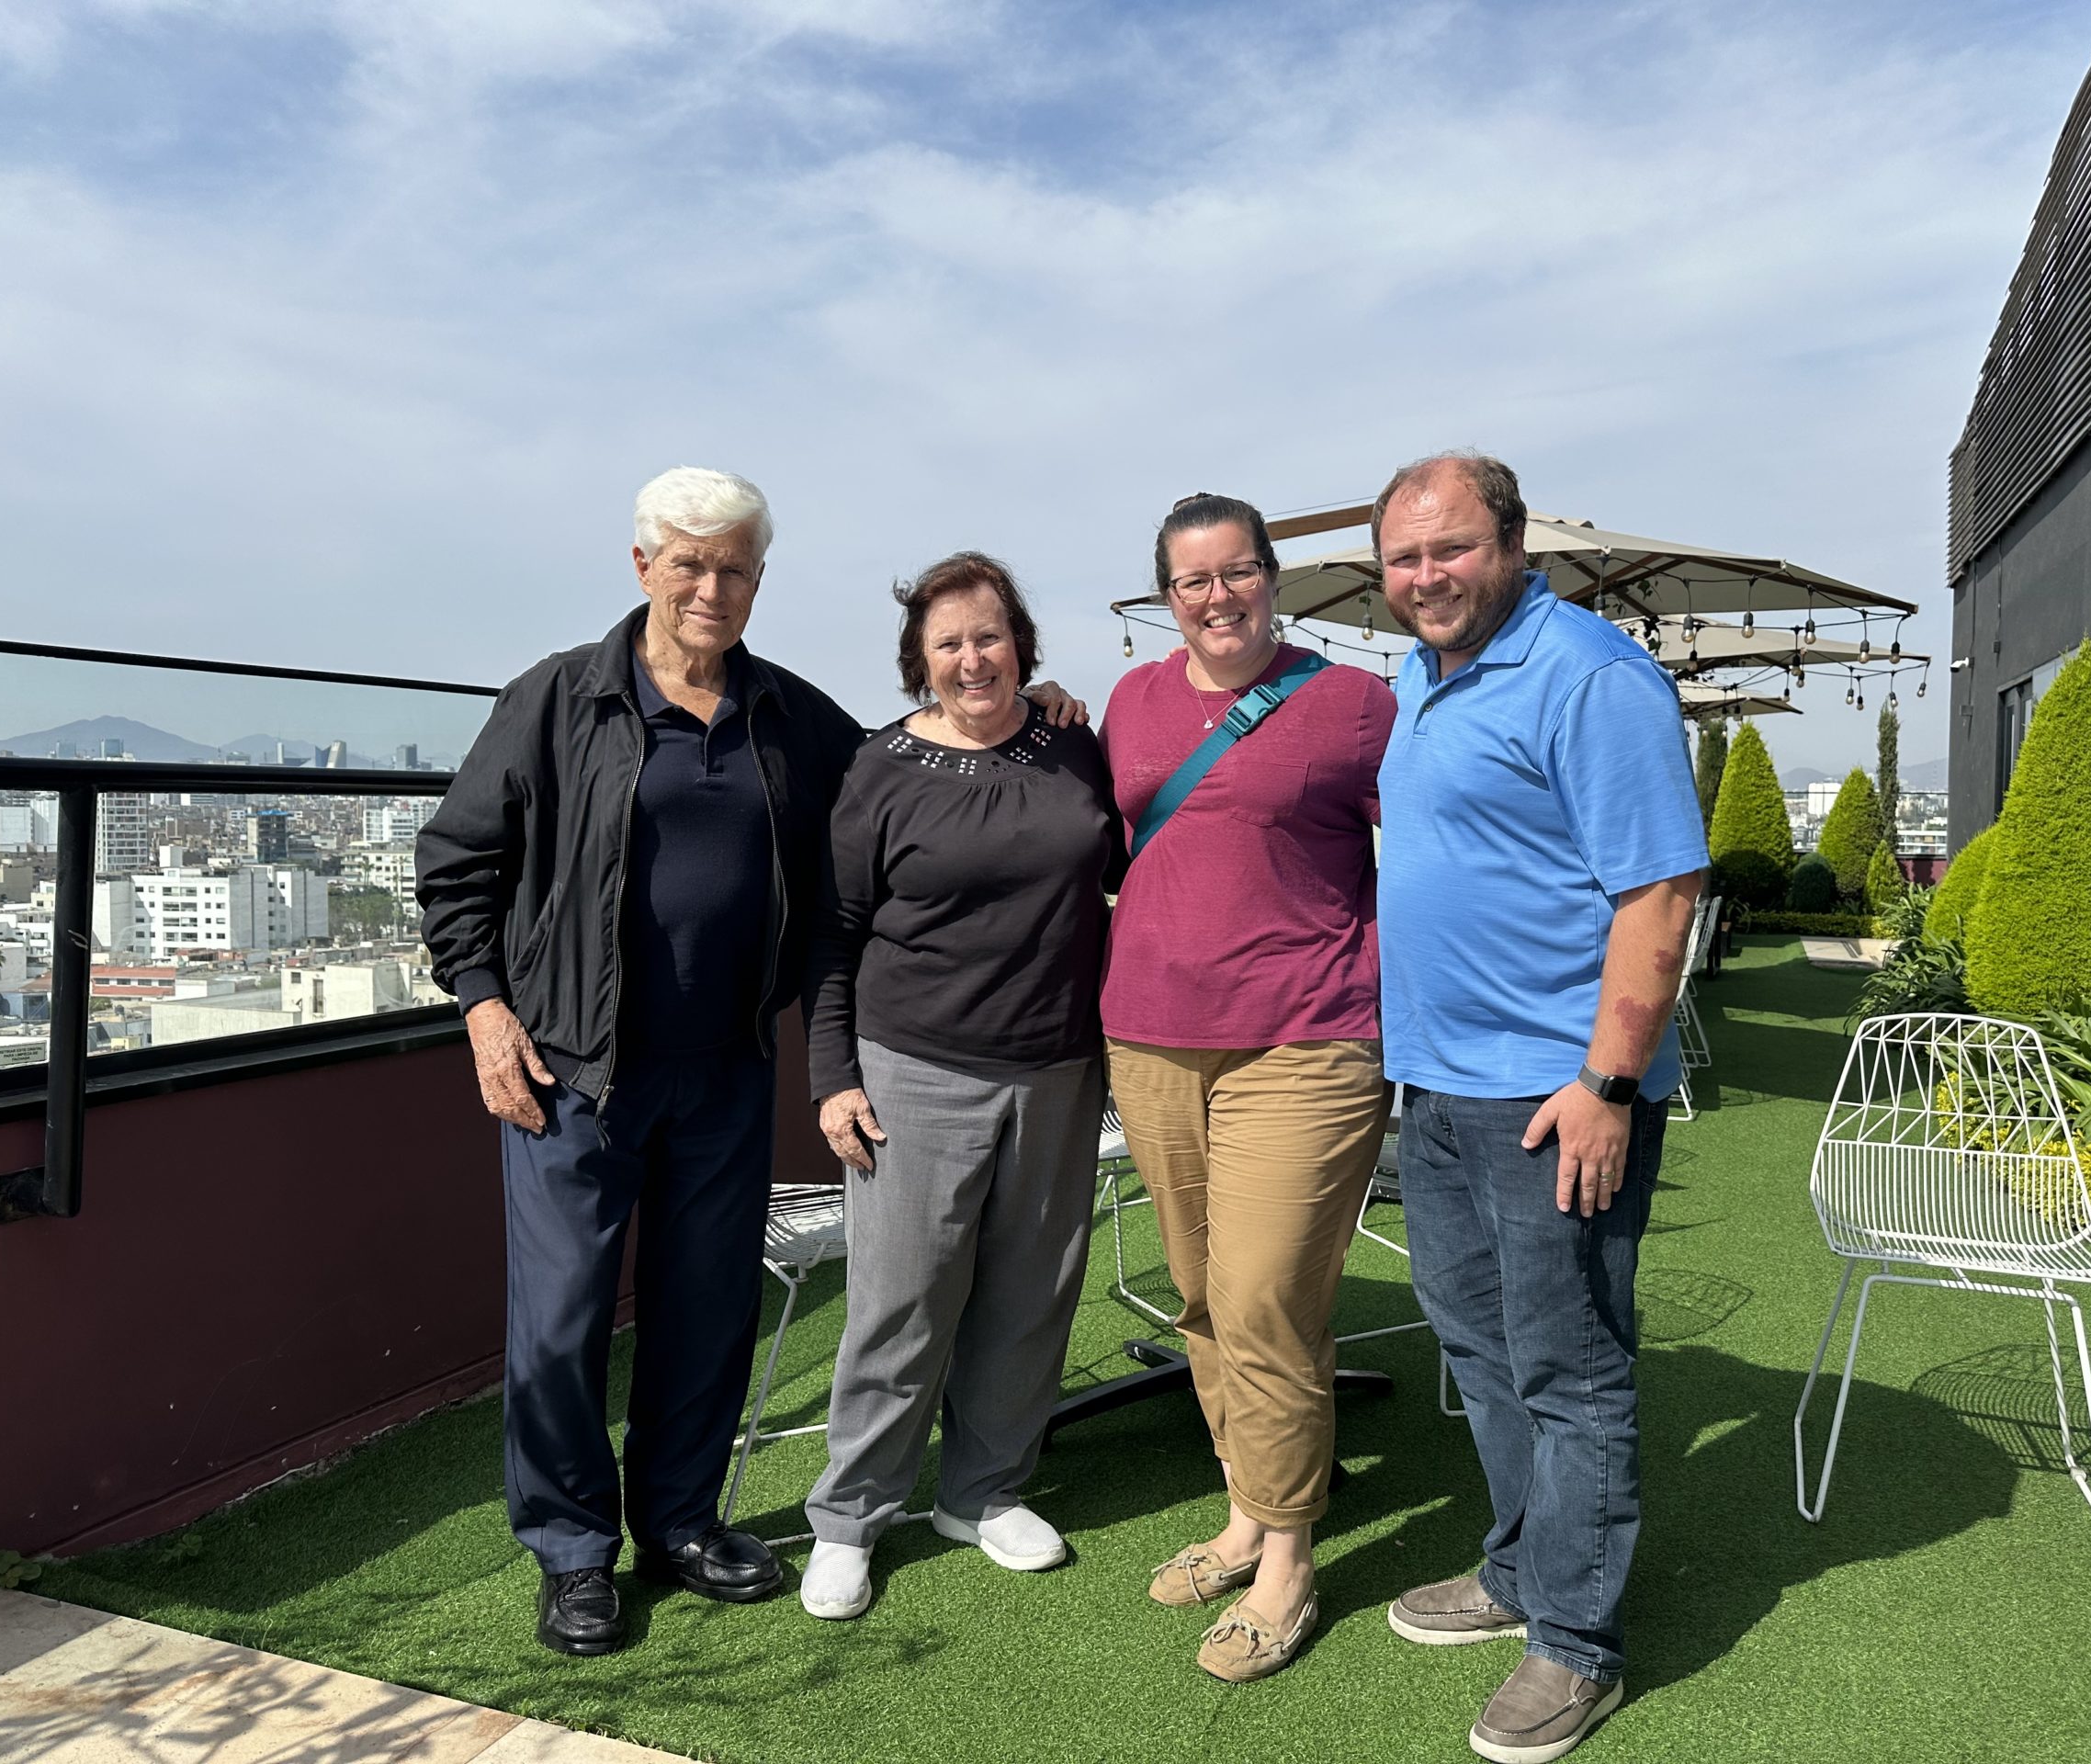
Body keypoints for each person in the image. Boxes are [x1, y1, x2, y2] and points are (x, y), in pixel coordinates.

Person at [415, 469, 1081, 1657]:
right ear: (644, 568)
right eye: (688, 564)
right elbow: (457, 859)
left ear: (758, 580)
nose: (710, 588)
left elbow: (913, 759)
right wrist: (482, 1009)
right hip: (572, 1069)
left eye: (733, 568)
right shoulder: (557, 699)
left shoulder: (789, 715)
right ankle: (573, 1552)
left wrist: (1027, 706)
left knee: (707, 1310)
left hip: (724, 1065)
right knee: (561, 1327)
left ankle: (678, 1522)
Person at [1370, 452, 1706, 1763]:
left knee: (1568, 1366)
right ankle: (1519, 1570)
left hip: (1556, 1094)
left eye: (1450, 549)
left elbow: (1660, 895)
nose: (1426, 577)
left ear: (1513, 545)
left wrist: (1609, 1083)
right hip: (1442, 1087)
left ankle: (1575, 1641)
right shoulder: (1422, 676)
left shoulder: (1589, 675)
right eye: (1405, 557)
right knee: (1478, 1347)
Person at [1100, 492, 1398, 1682]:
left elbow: (1433, 848)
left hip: (1306, 1041)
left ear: (1273, 578)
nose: (1216, 597)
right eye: (1192, 580)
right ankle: (1245, 1509)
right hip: (1151, 1038)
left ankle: (1287, 1559)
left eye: (1236, 573)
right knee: (1200, 1294)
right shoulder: (1128, 702)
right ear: (1166, 597)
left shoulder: (1352, 703)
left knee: (1264, 1293)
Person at [797, 551, 1120, 1621]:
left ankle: (982, 1493)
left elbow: (1122, 866)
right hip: (914, 1067)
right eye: (949, 643)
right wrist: (833, 1079)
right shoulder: (878, 768)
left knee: (1031, 1295)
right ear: (919, 661)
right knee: (902, 1303)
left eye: (989, 636)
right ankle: (850, 1518)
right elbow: (833, 934)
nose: (972, 658)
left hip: (1059, 1067)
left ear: (1020, 643)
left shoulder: (1071, 744)